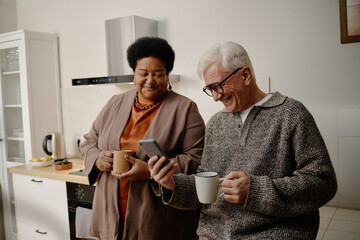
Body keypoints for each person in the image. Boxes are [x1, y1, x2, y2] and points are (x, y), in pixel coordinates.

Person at [148, 41, 337, 239]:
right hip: (214, 235)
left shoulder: (291, 114)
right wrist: (172, 184)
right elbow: (208, 186)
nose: (215, 97)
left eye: (218, 86)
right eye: (209, 89)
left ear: (245, 75)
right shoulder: (216, 123)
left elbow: (323, 183)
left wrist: (254, 191)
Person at [81, 37, 205, 240]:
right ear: (134, 74)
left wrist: (150, 171)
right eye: (143, 74)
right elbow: (89, 141)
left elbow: (197, 160)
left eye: (158, 74)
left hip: (157, 215)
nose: (150, 80)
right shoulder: (115, 103)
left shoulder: (185, 109)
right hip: (111, 209)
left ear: (167, 75)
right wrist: (97, 159)